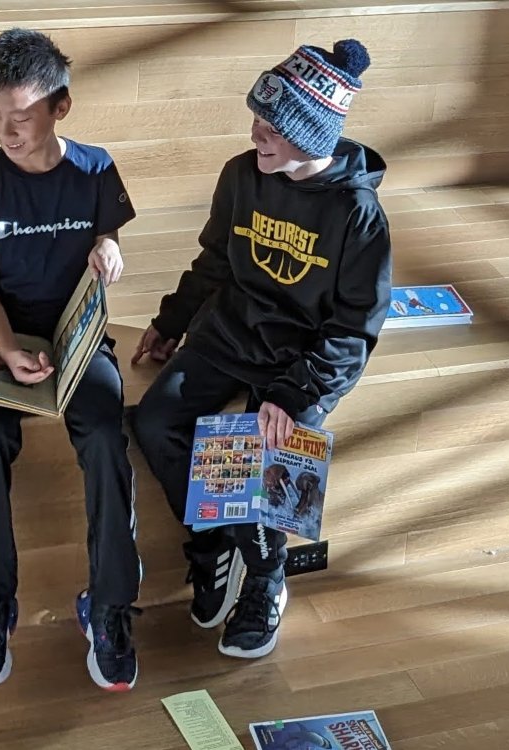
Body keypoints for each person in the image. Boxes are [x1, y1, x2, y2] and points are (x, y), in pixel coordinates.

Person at [131, 38, 391, 659]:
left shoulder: (358, 214)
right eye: (256, 120)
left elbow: (355, 328)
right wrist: (171, 322)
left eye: (271, 126)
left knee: (266, 452)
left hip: (301, 359)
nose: (256, 135)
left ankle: (268, 580)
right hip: (230, 334)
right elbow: (215, 262)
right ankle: (212, 542)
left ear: (310, 133)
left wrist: (295, 393)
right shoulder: (241, 175)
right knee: (156, 418)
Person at [0, 27, 141, 692]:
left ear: (61, 107)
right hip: (4, 338)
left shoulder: (96, 169)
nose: (5, 131)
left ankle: (110, 607)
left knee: (108, 437)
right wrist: (8, 352)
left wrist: (110, 249)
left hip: (78, 339)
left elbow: (106, 236)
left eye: (20, 117)